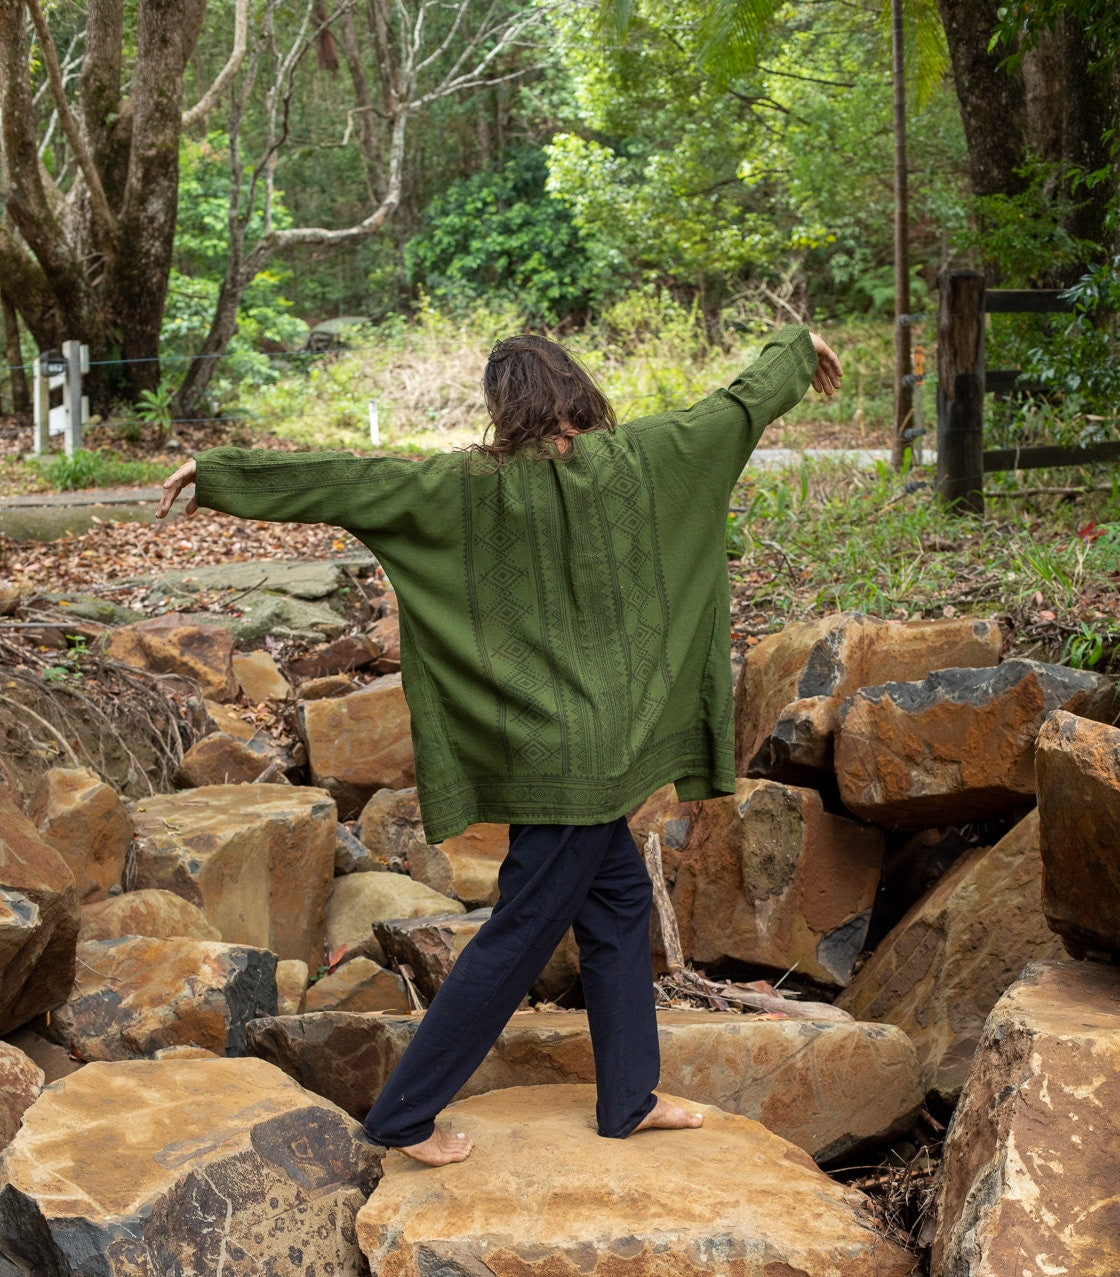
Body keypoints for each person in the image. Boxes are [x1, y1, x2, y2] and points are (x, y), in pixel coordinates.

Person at [158, 323, 842, 1166]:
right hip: (598, 761)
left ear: (505, 407)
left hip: (544, 759)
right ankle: (403, 1117)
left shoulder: (462, 488)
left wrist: (221, 475)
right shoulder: (651, 455)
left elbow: (353, 481)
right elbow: (738, 405)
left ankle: (627, 1098)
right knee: (521, 933)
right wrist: (797, 347)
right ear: (578, 389)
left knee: (619, 903)